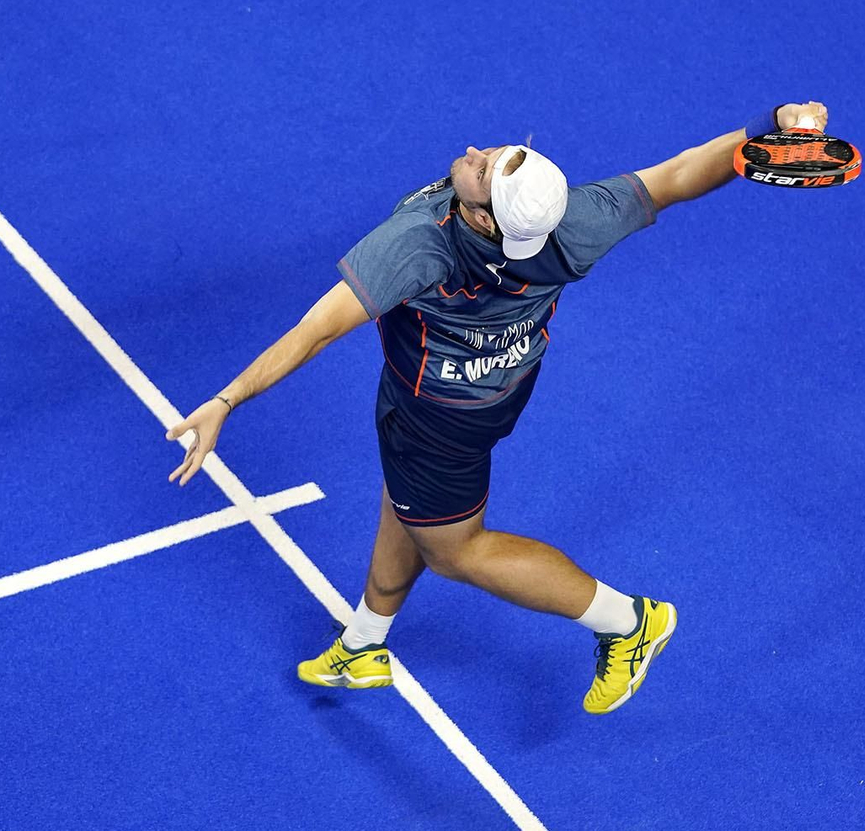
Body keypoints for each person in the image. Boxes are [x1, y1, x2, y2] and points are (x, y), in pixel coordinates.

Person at [167, 102, 830, 714]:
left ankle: (628, 621)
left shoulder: (419, 248)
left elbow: (315, 329)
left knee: (457, 550)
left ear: (483, 220)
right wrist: (765, 128)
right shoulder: (568, 221)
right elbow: (680, 175)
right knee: (412, 503)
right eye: (494, 155)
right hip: (501, 387)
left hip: (439, 417)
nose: (474, 152)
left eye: (482, 171)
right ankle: (366, 641)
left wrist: (227, 399)